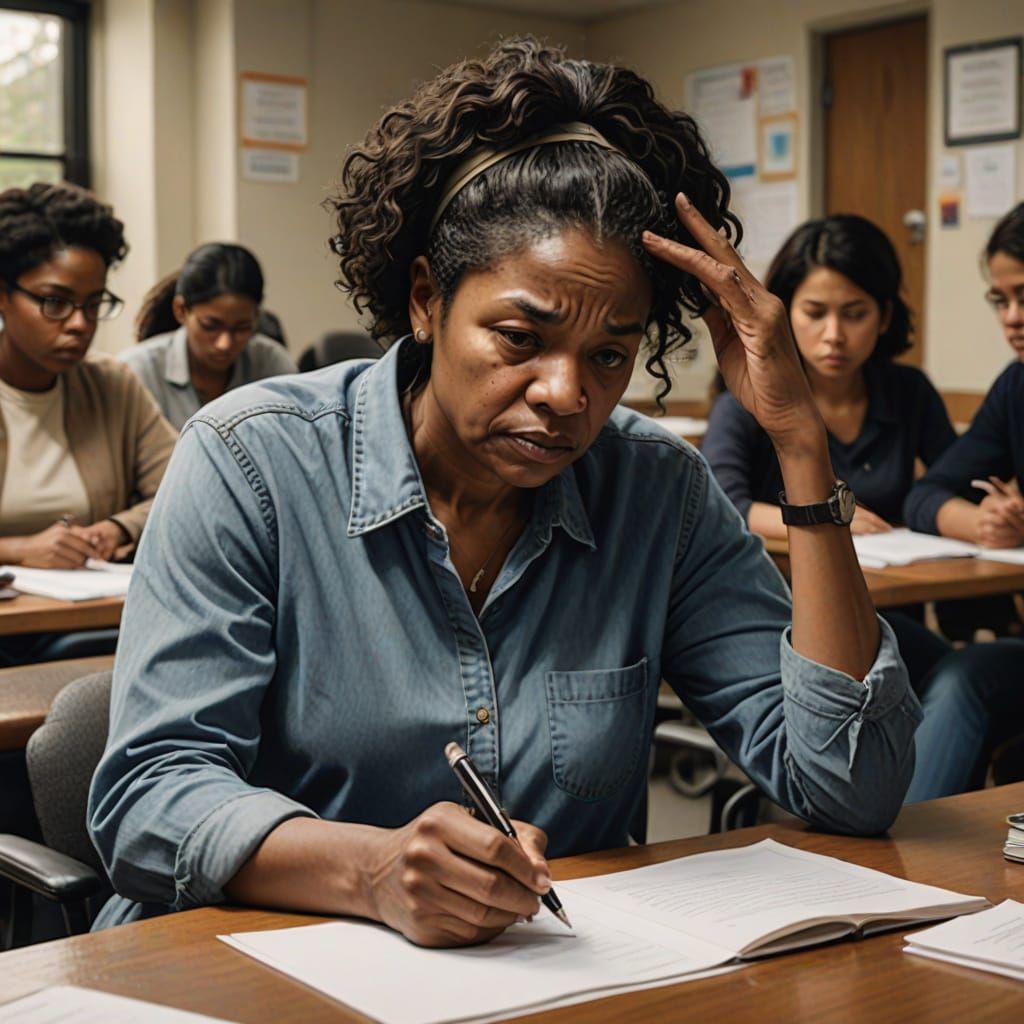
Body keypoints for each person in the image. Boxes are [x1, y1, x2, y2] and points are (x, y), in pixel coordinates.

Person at [88, 38, 918, 947]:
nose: (567, 395)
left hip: (549, 982)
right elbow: (152, 793)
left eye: (609, 356)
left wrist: (799, 442)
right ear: (424, 299)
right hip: (246, 968)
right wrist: (370, 872)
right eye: (521, 338)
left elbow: (853, 789)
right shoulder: (253, 463)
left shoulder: (653, 490)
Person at [702, 216, 954, 682]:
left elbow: (953, 483)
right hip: (783, 615)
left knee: (954, 676)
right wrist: (830, 516)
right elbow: (724, 505)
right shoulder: (750, 396)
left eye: (854, 314)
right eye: (815, 313)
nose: (834, 334)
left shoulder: (908, 391)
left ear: (885, 316)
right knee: (952, 676)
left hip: (895, 603)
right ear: (783, 313)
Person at [0, 182, 177, 666]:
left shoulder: (110, 385)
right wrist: (19, 550)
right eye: (55, 302)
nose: (79, 323)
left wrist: (119, 529)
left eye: (94, 303)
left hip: (95, 629)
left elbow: (183, 487)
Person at [905, 202, 1024, 547]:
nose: (1012, 317)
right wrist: (985, 524)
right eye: (1001, 300)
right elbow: (925, 497)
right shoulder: (1015, 388)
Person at [121, 243, 297, 430]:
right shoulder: (138, 373)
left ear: (256, 317)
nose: (224, 344)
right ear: (181, 310)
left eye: (242, 328)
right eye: (210, 326)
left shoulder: (272, 366)